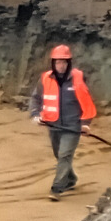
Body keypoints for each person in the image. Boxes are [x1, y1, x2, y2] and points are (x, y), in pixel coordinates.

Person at [29, 44, 96, 199]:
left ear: (69, 63)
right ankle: (71, 179)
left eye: (64, 62)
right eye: (58, 62)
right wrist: (35, 114)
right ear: (53, 63)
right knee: (59, 155)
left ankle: (57, 189)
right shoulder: (45, 79)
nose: (61, 65)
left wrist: (85, 123)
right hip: (53, 124)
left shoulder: (77, 79)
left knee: (65, 154)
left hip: (73, 126)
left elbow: (86, 102)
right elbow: (36, 98)